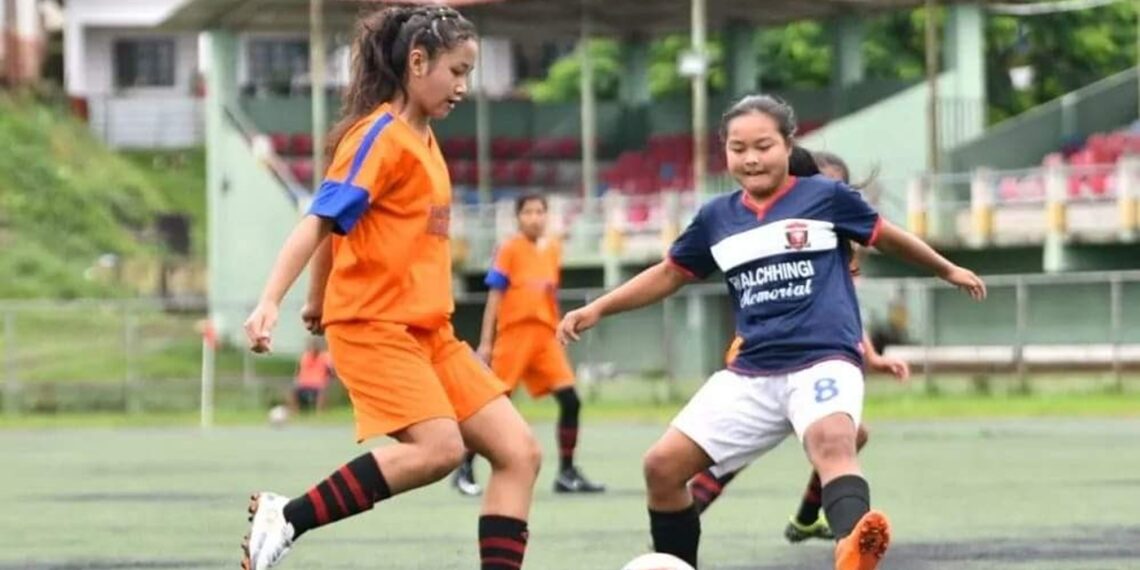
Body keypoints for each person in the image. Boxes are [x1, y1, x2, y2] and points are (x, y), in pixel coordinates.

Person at [557, 94, 986, 570]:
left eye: (763, 146)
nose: (751, 158)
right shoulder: (716, 218)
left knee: (834, 442)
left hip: (823, 360)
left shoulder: (825, 197)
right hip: (751, 372)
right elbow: (669, 273)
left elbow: (887, 235)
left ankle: (852, 549)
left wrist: (947, 269)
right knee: (661, 467)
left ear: (787, 144)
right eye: (738, 148)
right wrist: (598, 308)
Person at [239, 6, 541, 569]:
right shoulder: (378, 136)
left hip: (431, 333)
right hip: (373, 328)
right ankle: (288, 516)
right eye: (456, 71)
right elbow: (320, 221)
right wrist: (271, 300)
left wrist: (316, 297)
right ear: (417, 62)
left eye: (470, 73)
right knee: (440, 449)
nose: (463, 86)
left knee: (519, 452)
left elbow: (348, 225)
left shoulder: (425, 139)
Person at [687, 150, 912, 546]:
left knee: (851, 437)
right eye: (819, 183)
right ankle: (677, 526)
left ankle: (807, 520)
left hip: (812, 362)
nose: (826, 192)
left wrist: (872, 356)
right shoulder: (778, 228)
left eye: (836, 185)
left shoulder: (836, 237)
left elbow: (841, 308)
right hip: (761, 359)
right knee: (734, 456)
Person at [452, 193, 606, 496]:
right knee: (491, 405)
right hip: (514, 337)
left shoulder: (553, 250)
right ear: (518, 217)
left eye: (540, 212)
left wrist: (560, 329)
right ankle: (464, 468)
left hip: (545, 338)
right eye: (528, 212)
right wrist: (486, 342)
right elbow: (495, 297)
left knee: (571, 400)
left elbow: (549, 296)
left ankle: (567, 473)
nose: (535, 218)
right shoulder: (509, 249)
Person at [290, 338, 334, 414]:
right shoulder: (305, 356)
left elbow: (331, 371)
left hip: (319, 382)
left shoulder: (325, 357)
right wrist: (296, 379)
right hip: (304, 382)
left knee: (322, 390)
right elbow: (298, 370)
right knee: (293, 389)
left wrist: (329, 378)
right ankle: (295, 411)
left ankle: (319, 412)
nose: (313, 347)